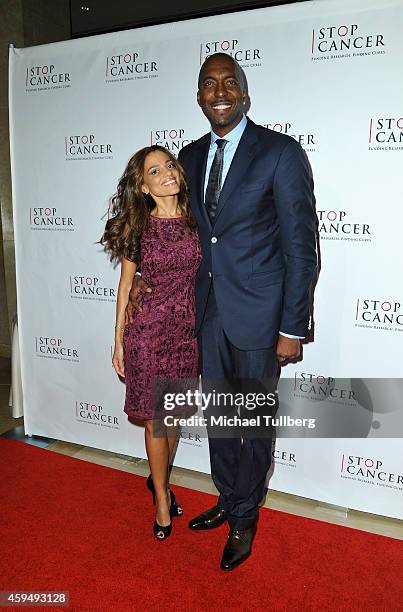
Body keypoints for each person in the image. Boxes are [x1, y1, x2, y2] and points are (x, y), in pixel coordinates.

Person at [129, 53, 317, 569]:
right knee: (219, 418)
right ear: (197, 96)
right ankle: (228, 497)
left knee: (252, 423)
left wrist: (292, 326)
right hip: (202, 317)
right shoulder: (185, 159)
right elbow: (163, 227)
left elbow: (302, 246)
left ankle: (245, 518)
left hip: (261, 318)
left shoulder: (280, 152)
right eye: (208, 84)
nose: (219, 91)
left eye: (228, 82)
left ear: (244, 92)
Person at [101, 145, 201, 541]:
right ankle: (161, 498)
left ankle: (159, 480)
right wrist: (119, 343)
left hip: (186, 334)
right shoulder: (137, 226)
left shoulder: (199, 220)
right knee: (158, 422)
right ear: (143, 185)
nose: (167, 174)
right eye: (155, 171)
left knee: (172, 419)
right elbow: (126, 285)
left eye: (169, 165)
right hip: (147, 334)